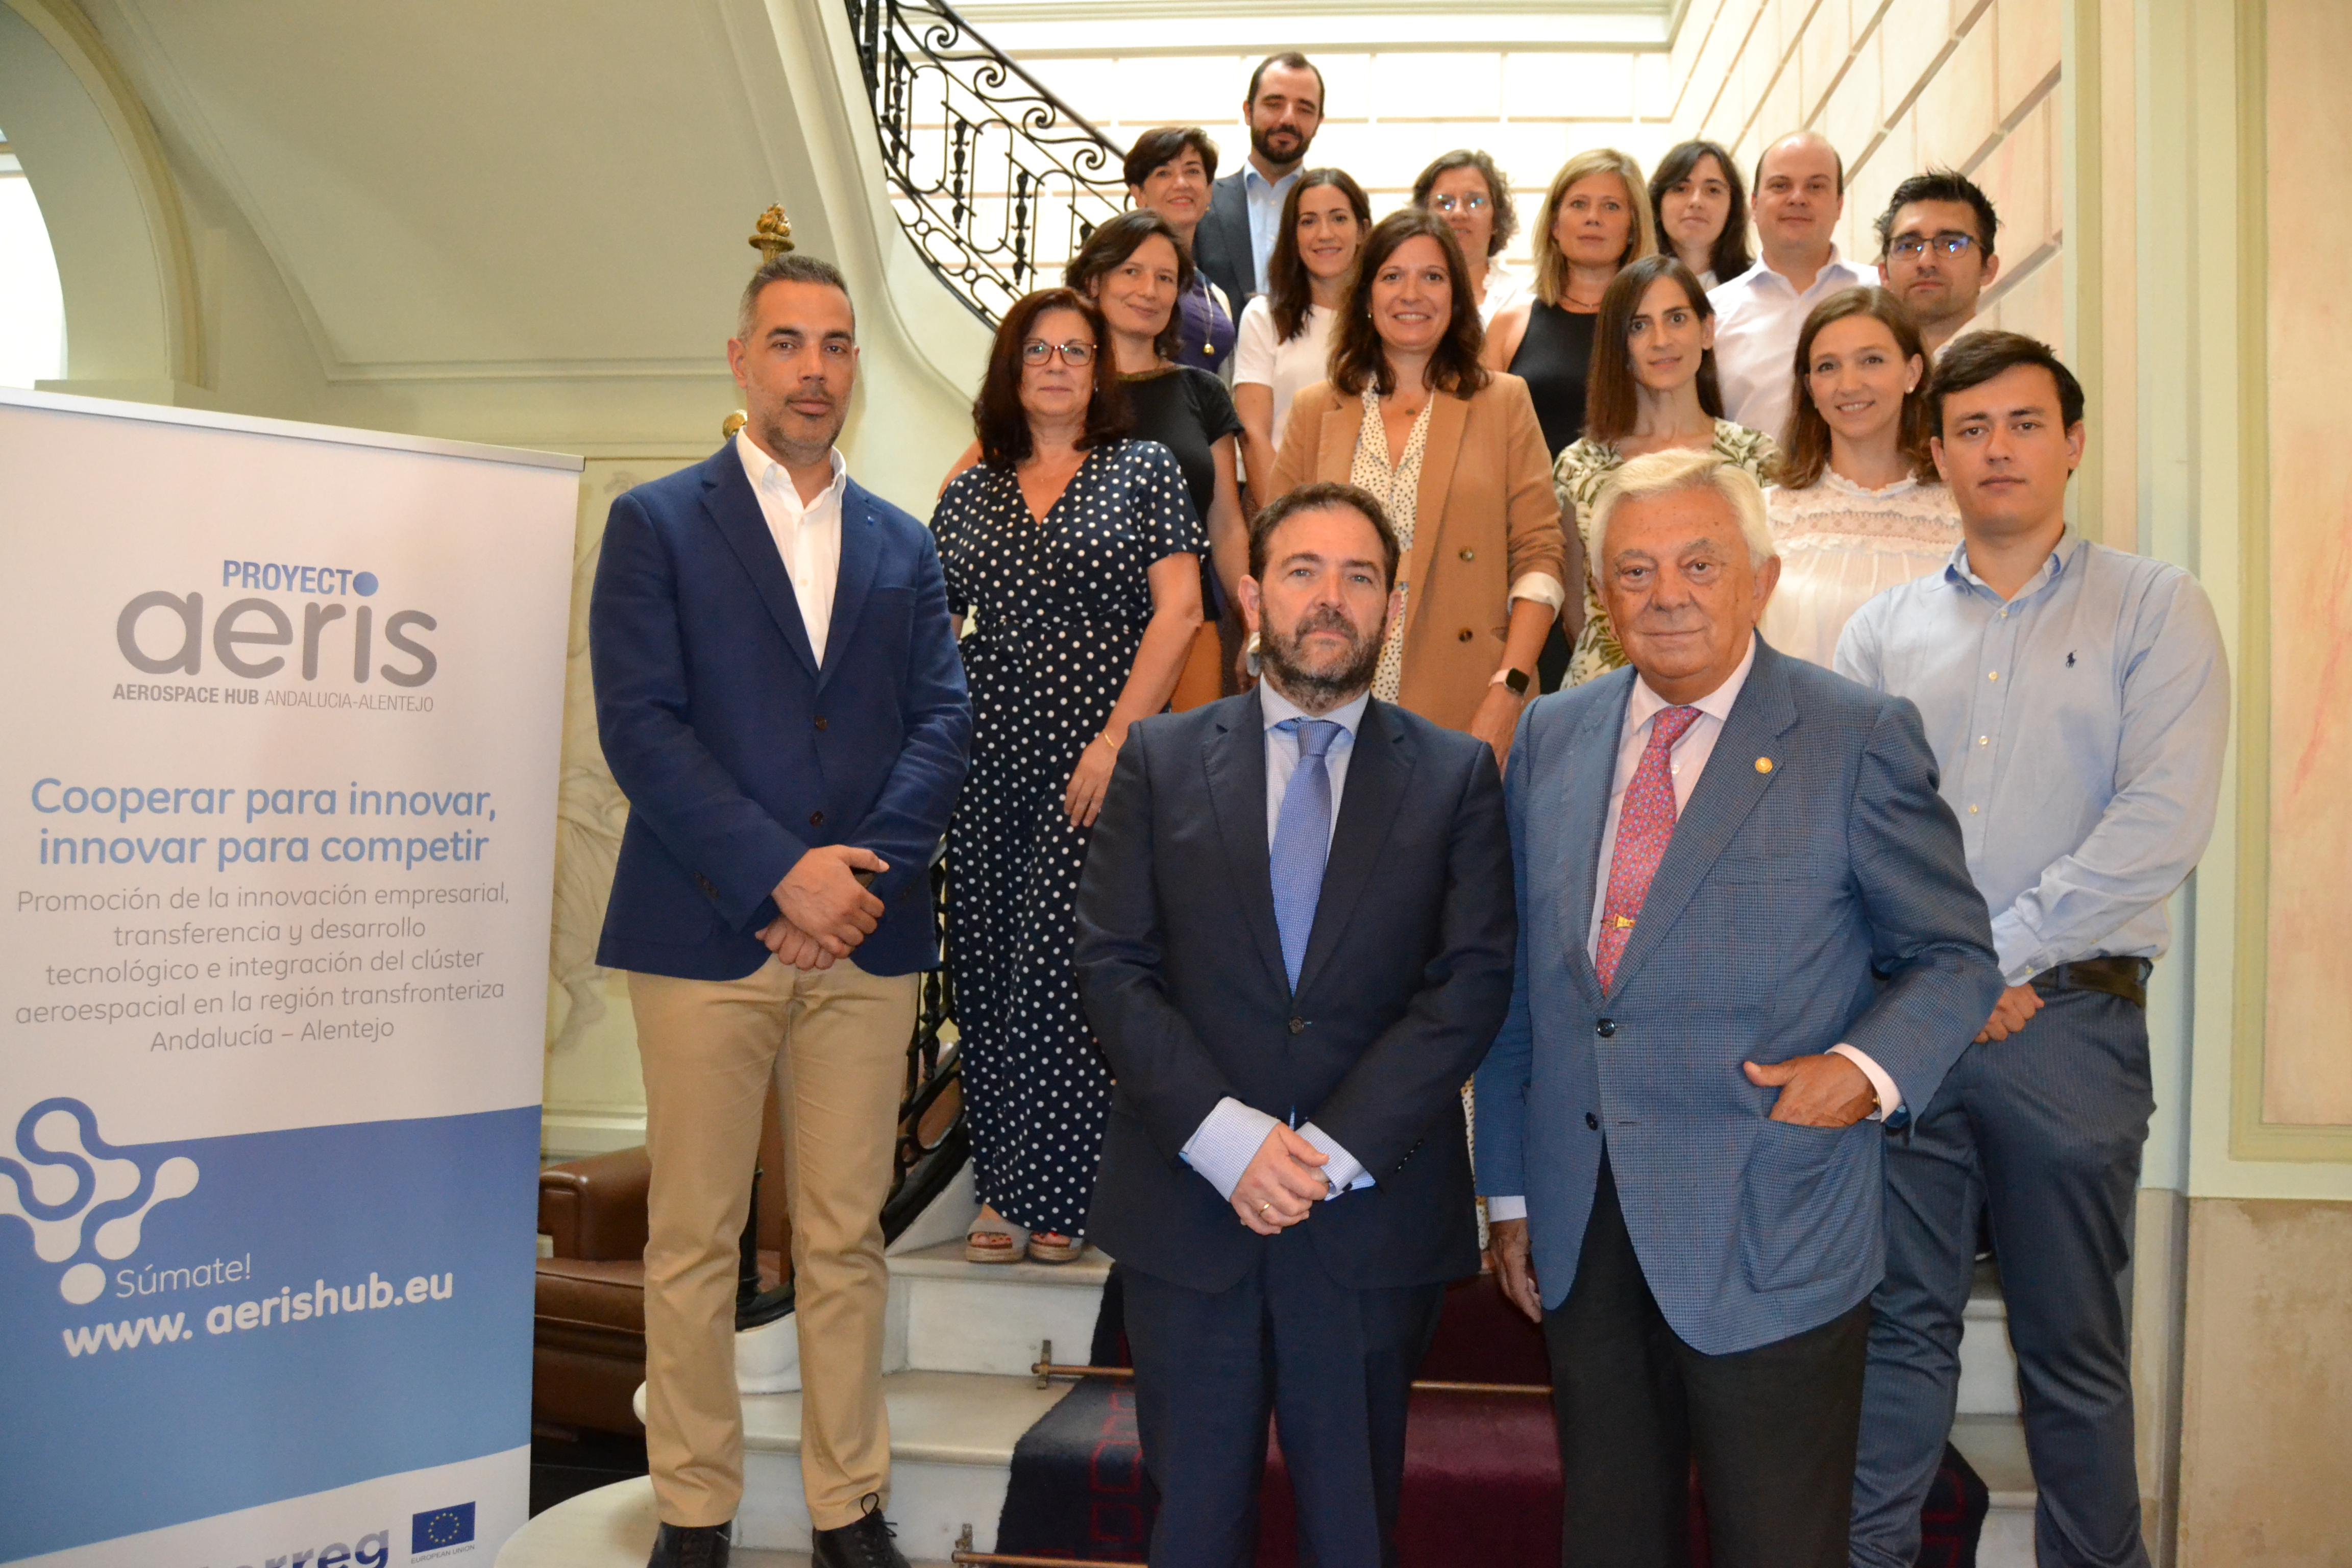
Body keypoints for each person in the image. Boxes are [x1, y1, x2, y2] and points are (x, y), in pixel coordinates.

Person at [1475, 447, 2001, 1568]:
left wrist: (1860, 1073)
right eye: (1634, 571)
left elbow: (1955, 959)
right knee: (1612, 1540)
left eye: (1700, 563)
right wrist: (1511, 1192)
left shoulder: (1855, 735)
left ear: (1761, 579)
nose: (1668, 594)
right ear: (1603, 597)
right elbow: (1526, 989)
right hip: (1584, 1225)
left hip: (1771, 1218)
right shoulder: (1556, 741)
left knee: (1780, 1545)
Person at [591, 253, 973, 1568]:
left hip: (863, 940)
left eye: (838, 345)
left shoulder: (901, 540)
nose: (816, 368)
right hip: (704, 933)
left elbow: (943, 720)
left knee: (842, 1235)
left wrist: (849, 882)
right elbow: (642, 728)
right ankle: (693, 1510)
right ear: (742, 361)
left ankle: (843, 1505)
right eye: (789, 343)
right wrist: (778, 876)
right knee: (691, 1235)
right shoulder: (656, 522)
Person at [1837, 333, 2230, 1568]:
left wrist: (1981, 967)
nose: (1995, 447)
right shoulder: (1881, 629)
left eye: (2021, 423)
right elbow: (1849, 831)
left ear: (2069, 441)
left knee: (2072, 1345)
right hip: (1910, 1034)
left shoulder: (2156, 604)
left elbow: (2157, 823)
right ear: (1936, 450)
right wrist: (1947, 986)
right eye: (1969, 428)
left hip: (2068, 1027)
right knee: (1897, 1333)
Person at [1074, 481, 1517, 1568]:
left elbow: (1469, 981)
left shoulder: (1456, 773)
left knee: (1352, 1527)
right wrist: (1229, 1141)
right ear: (1252, 594)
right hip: (1190, 1207)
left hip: (1365, 1215)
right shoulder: (1159, 759)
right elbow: (1113, 967)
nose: (1331, 598)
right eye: (1303, 572)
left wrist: (1330, 1150)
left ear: (1393, 604)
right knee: (1195, 1525)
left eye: (1360, 576)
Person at [932, 289, 1205, 1267]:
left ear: (1101, 372)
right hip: (985, 759)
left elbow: (1177, 614)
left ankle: (1066, 1189)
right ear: (1011, 370)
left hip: (1101, 761)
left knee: (1066, 971)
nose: (1055, 365)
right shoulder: (968, 492)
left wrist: (1115, 740)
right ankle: (1001, 1189)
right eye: (1036, 350)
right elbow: (930, 633)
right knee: (989, 968)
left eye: (1075, 351)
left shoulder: (1144, 470)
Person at [1269, 209, 1568, 758]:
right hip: (1329, 688)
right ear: (1365, 295)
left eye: (1433, 277)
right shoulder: (1316, 409)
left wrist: (1509, 691)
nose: (1413, 294)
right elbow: (1274, 553)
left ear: (1458, 297)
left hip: (1468, 695)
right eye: (1392, 276)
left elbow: (1541, 556)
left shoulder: (1504, 401)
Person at [1557, 254, 1778, 686]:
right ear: (1618, 346)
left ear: (1707, 329)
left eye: (1676, 318)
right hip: (1602, 696)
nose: (1661, 340)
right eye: (1639, 325)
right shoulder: (1579, 466)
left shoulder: (1757, 457)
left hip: (1731, 694)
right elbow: (1575, 615)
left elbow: (1764, 594)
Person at [1760, 285, 1959, 668]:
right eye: (1828, 367)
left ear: (1912, 372)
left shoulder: (1963, 513)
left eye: (1871, 361)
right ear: (1810, 389)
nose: (1849, 385)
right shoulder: (1763, 515)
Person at [1486, 147, 1658, 460]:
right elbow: (1480, 439)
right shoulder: (1510, 324)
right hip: (1533, 506)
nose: (1593, 218)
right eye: (1579, 205)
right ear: (1554, 225)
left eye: (1611, 206)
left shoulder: (1656, 324)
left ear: (1633, 228)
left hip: (1637, 501)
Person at [1707, 132, 1872, 447]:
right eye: (1781, 185)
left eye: (1816, 186)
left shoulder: (1881, 294)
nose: (1798, 198)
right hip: (1752, 494)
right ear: (1754, 205)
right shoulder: (1712, 314)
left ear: (1840, 205)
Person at [1235, 168, 1369, 516]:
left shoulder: (1386, 320)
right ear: (1292, 236)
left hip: (1372, 512)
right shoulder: (1264, 316)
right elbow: (1254, 433)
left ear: (1363, 231)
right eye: (1308, 221)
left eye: (1338, 218)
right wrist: (1282, 520)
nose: (1324, 234)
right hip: (1282, 510)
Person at [1194, 52, 1326, 310]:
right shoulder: (1204, 203)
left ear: (1318, 122)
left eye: (1304, 109)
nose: (1288, 119)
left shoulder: (1337, 214)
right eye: (1274, 104)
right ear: (1248, 111)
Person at [1125, 127, 1237, 376]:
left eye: (1192, 171)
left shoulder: (1214, 294)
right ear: (1139, 194)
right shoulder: (1118, 277)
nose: (1181, 183)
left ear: (1209, 192)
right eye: (1164, 173)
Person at [1876, 167, 2002, 358]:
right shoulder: (1863, 378)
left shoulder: (2017, 373)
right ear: (1884, 274)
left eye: (1951, 244)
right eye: (1908, 246)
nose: (1926, 261)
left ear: (1987, 269)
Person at [1412, 148, 1526, 323]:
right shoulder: (1407, 299)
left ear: (1496, 220)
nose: (1459, 213)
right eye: (1444, 203)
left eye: (1475, 202)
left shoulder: (1525, 299)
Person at [1649, 138, 1752, 288]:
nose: (1696, 202)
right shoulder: (1631, 286)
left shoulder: (1759, 286)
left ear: (1733, 207)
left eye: (1713, 190)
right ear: (1658, 203)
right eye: (1681, 189)